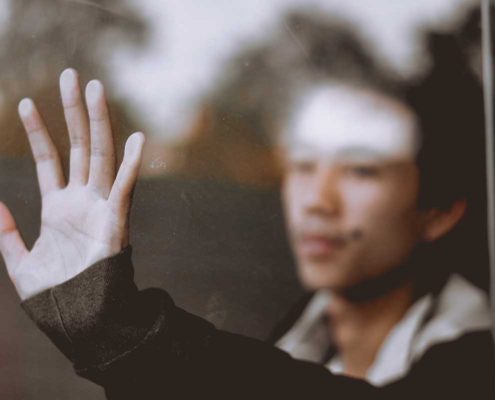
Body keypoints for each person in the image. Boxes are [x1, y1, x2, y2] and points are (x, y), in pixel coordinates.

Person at [0, 22, 494, 400]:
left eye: (361, 170)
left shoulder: (477, 362)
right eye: (302, 165)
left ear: (439, 212)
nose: (317, 199)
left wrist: (122, 332)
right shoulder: (293, 337)